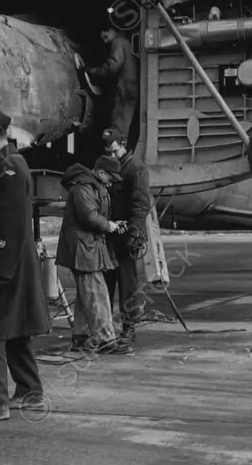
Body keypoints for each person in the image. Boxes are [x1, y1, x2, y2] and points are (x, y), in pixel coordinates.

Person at [0, 110, 51, 421]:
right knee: (15, 331)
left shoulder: (10, 168)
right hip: (12, 262)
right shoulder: (6, 164)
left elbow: (10, 225)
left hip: (6, 264)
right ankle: (30, 391)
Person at [57, 156, 130, 354]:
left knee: (86, 293)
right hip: (83, 248)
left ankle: (81, 337)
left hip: (86, 246)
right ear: (101, 172)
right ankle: (104, 339)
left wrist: (112, 224)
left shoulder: (90, 185)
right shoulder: (84, 188)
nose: (111, 182)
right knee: (96, 292)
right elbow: (89, 216)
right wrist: (110, 225)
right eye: (110, 177)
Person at [99, 129, 152, 344]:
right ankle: (106, 325)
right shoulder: (115, 165)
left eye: (114, 151)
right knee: (107, 281)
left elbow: (141, 204)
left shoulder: (136, 169)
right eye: (108, 152)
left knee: (128, 284)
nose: (111, 156)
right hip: (111, 233)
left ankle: (129, 326)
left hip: (127, 235)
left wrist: (134, 233)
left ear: (122, 144)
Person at [85, 27, 139, 139]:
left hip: (127, 83)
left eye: (105, 37)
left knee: (120, 113)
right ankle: (122, 141)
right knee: (127, 113)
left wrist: (93, 71)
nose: (105, 41)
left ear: (112, 31)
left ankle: (117, 141)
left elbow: (113, 65)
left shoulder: (118, 42)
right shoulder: (126, 41)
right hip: (134, 82)